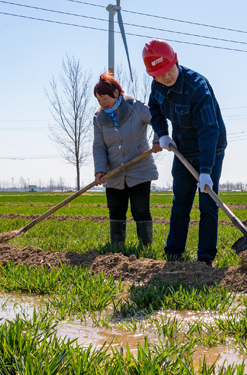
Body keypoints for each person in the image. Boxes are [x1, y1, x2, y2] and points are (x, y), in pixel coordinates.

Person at [142, 38, 227, 267]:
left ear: (175, 60)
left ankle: (205, 259)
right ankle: (173, 255)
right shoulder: (157, 85)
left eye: (168, 70)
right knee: (180, 202)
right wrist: (162, 133)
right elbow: (154, 108)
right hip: (182, 148)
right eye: (159, 74)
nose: (165, 77)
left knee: (208, 204)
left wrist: (206, 171)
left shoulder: (197, 87)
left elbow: (209, 130)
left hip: (210, 146)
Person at [92, 73, 162, 248]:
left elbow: (158, 120)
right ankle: (117, 248)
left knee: (140, 210)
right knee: (116, 210)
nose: (102, 104)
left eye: (104, 99)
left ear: (116, 93)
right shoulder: (99, 118)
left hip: (140, 168)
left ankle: (145, 248)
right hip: (114, 171)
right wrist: (100, 170)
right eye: (99, 100)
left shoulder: (136, 107)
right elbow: (99, 146)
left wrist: (157, 140)